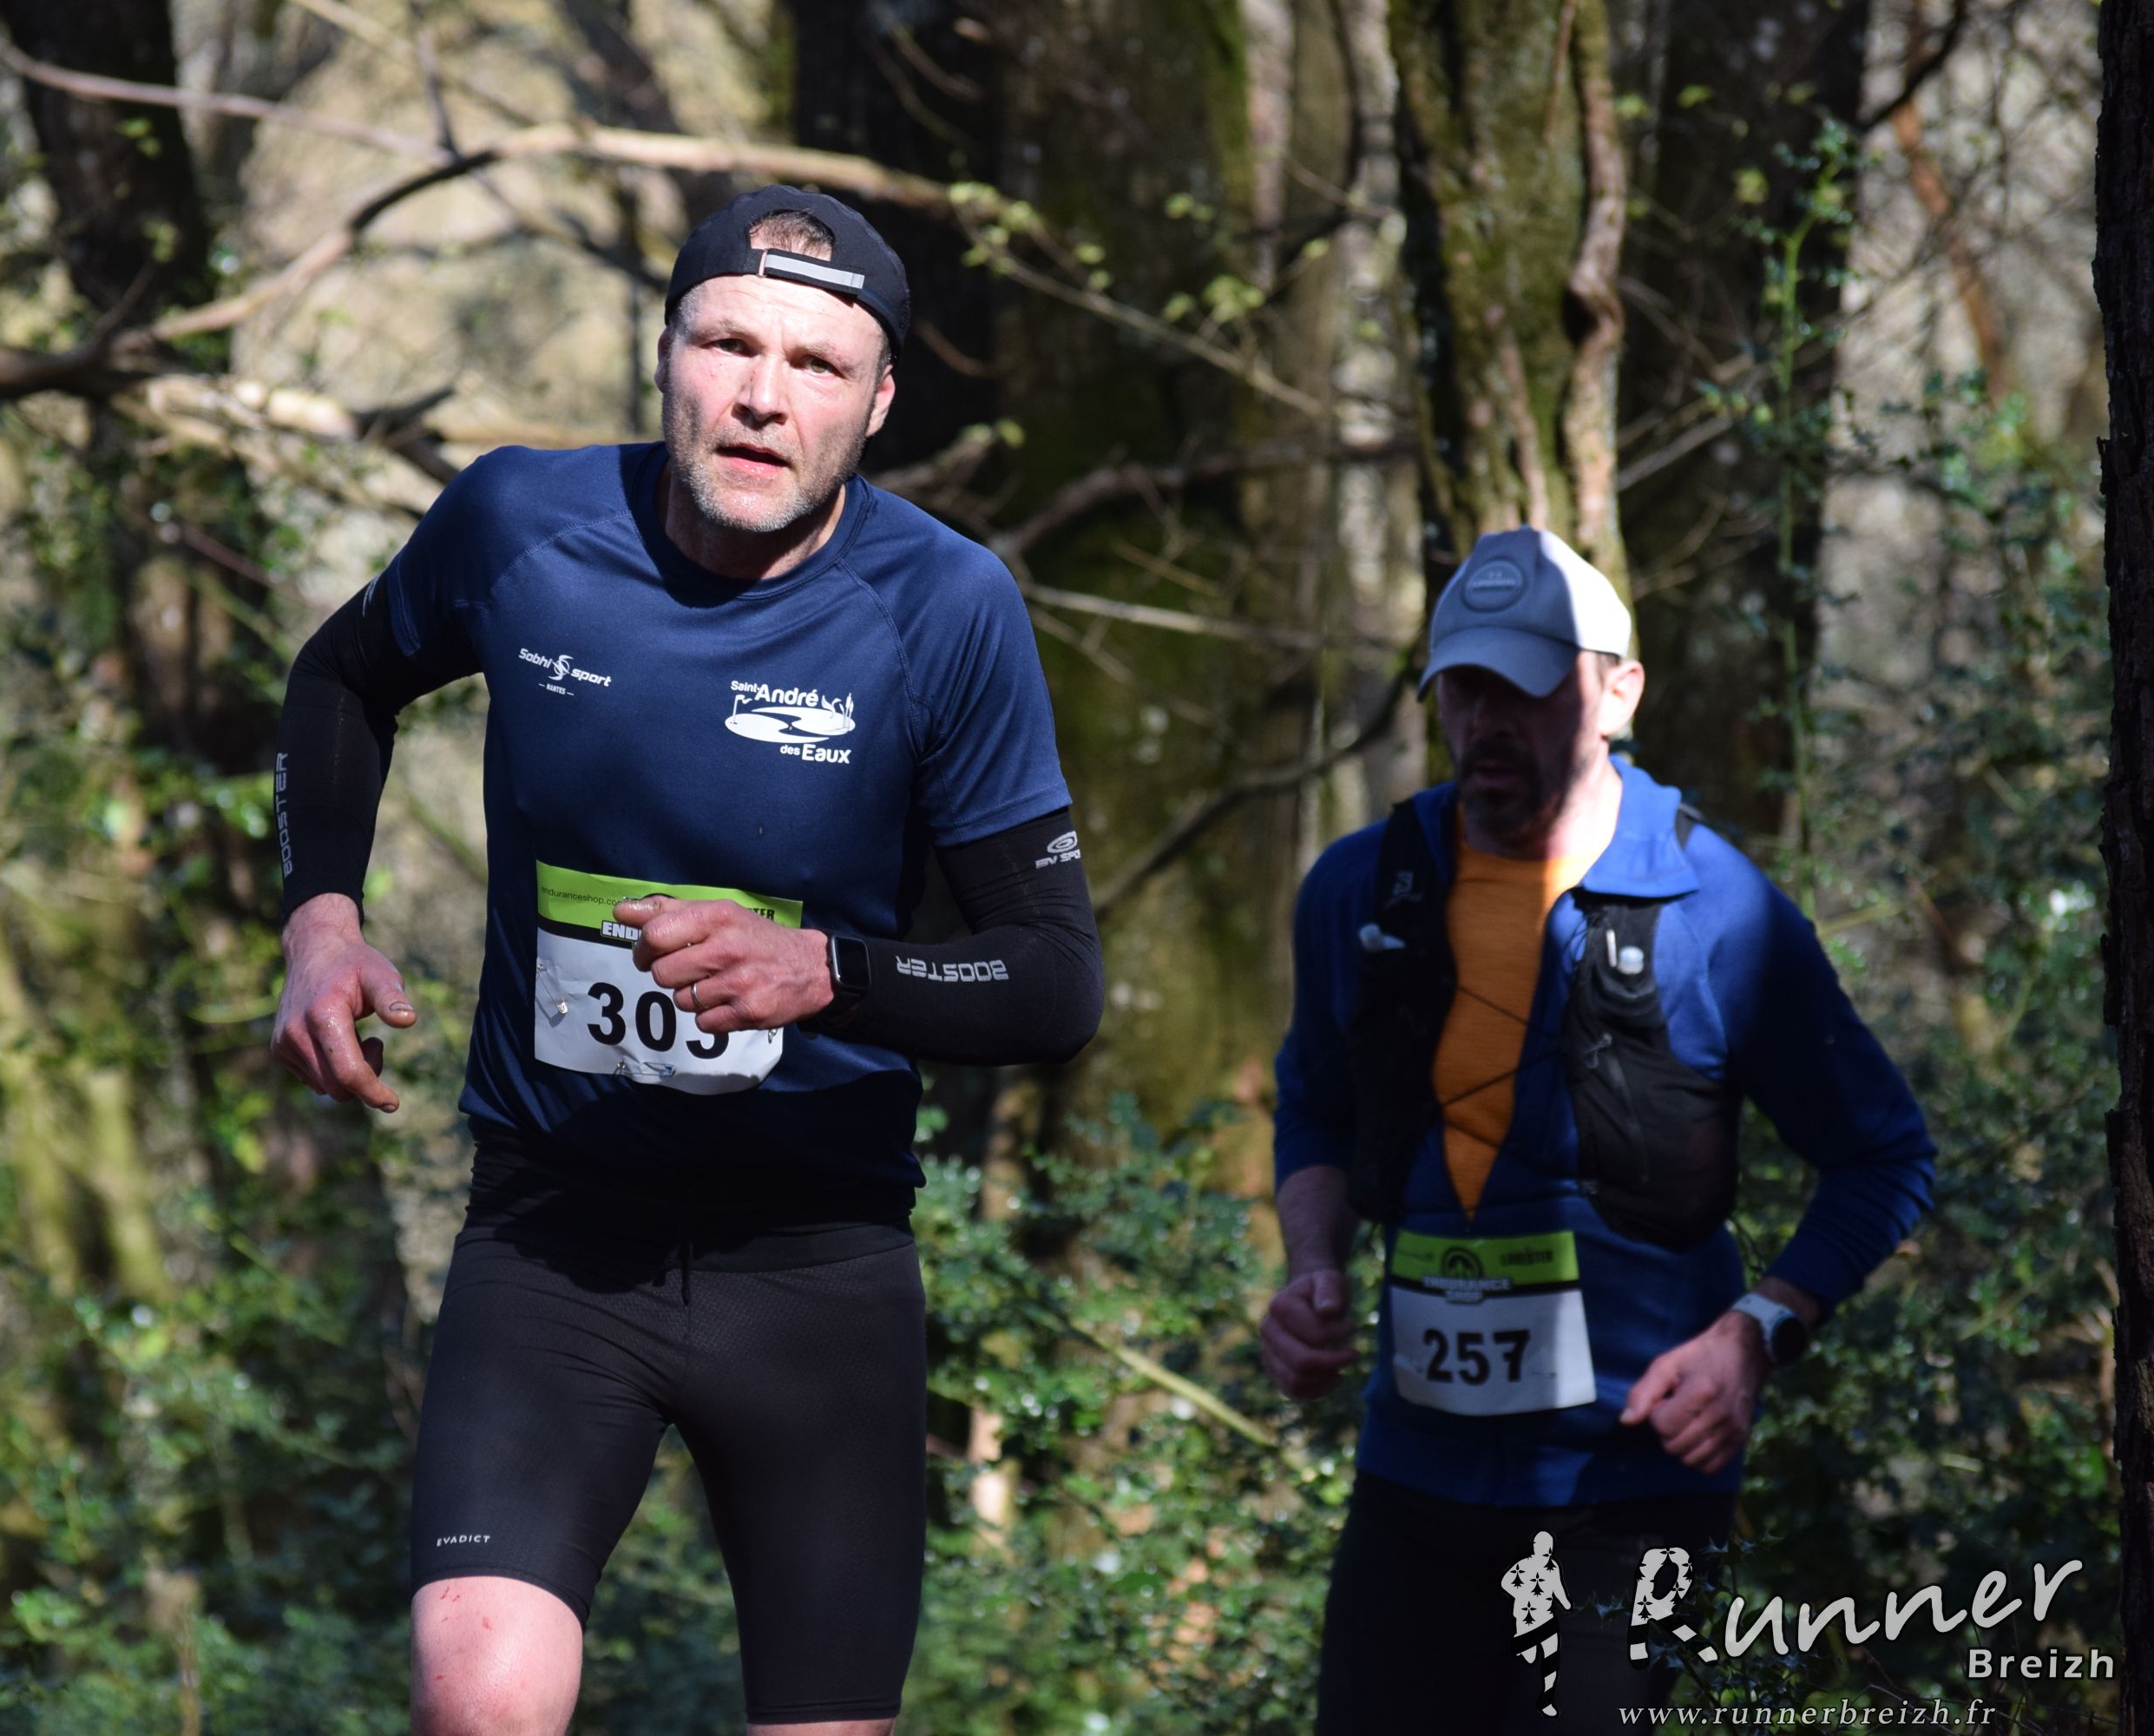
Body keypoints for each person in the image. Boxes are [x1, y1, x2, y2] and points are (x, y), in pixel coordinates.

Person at [267, 184, 1103, 1736]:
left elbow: (1056, 978)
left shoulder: (945, 610)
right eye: (727, 344)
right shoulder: (521, 527)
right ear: (664, 353)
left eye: (817, 364)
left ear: (879, 403)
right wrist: (322, 915)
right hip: (553, 1243)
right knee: (477, 1698)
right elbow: (341, 676)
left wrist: (828, 974)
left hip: (816, 1269)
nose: (763, 396)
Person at [1258, 527, 1934, 1733]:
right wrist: (1312, 1266)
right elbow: (1315, 1101)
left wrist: (1756, 1333)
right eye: (1464, 689)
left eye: (1527, 688)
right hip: (1412, 1476)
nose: (1488, 722)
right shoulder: (1362, 889)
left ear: (1619, 693)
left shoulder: (1723, 911)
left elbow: (1883, 1156)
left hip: (1633, 1494)